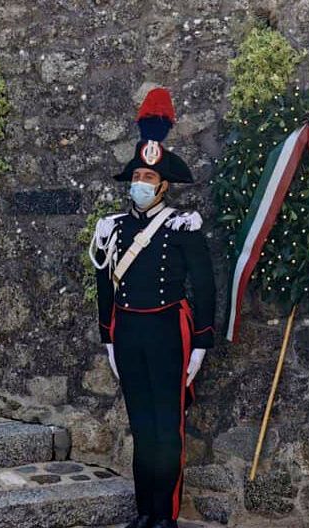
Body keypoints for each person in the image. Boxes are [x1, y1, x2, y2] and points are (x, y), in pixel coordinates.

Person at [88, 88, 215, 528]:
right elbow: (103, 283)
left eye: (148, 176)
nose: (141, 183)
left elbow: (204, 286)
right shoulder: (113, 228)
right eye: (137, 175)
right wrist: (107, 336)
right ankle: (145, 511)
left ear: (163, 184)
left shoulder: (183, 225)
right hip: (128, 332)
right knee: (142, 426)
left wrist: (201, 344)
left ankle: (167, 514)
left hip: (168, 331)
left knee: (168, 426)